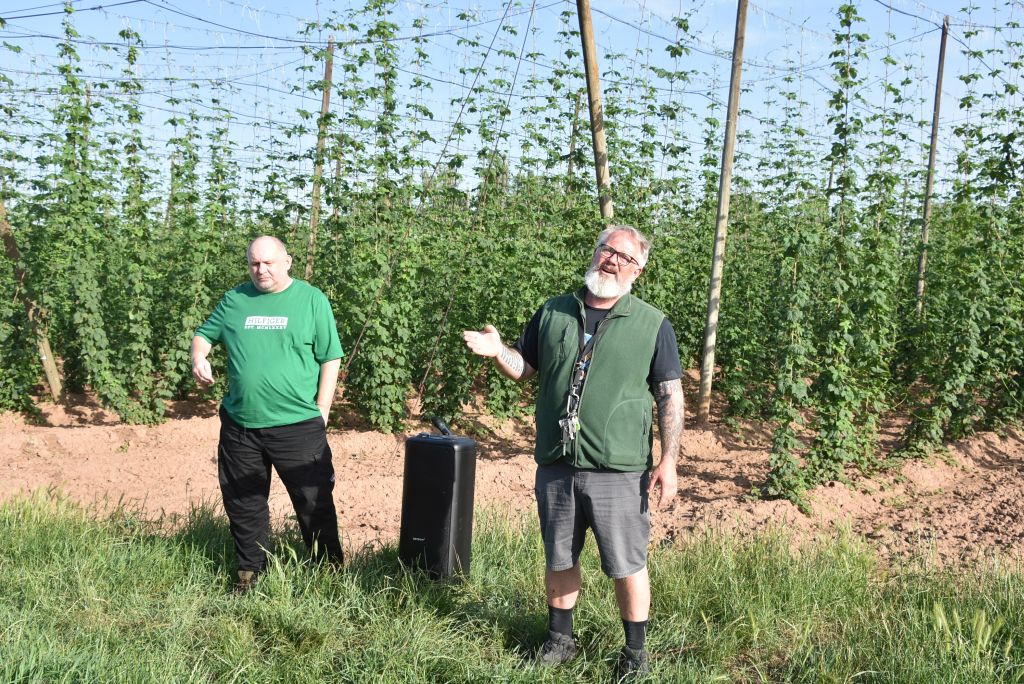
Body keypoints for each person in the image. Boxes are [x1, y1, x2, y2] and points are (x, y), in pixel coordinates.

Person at [463, 225, 684, 681]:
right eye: (607, 250)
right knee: (559, 557)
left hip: (618, 467)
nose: (612, 260)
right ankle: (560, 640)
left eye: (625, 257)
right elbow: (524, 368)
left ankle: (635, 654)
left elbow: (669, 394)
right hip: (558, 462)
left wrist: (669, 459)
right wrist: (498, 351)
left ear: (638, 271)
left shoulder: (651, 324)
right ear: (595, 251)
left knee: (627, 563)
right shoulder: (554, 311)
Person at [191, 235, 345, 593]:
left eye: (268, 263)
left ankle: (330, 574)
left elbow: (330, 357)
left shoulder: (311, 300)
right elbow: (203, 335)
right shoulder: (235, 299)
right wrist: (199, 357)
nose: (261, 270)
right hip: (240, 425)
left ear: (287, 262)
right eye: (254, 263)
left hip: (297, 425)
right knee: (243, 503)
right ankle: (250, 574)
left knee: (313, 502)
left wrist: (322, 409)